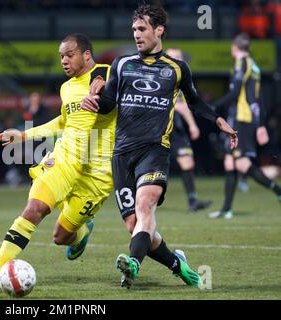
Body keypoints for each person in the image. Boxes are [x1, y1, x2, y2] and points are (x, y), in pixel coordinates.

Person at [81, 4, 238, 288]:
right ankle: (178, 264)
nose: (136, 35)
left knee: (145, 206)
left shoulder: (177, 69)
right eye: (134, 30)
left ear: (159, 30)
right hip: (122, 155)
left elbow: (194, 101)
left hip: (155, 151)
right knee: (137, 226)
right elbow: (108, 104)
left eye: (142, 29)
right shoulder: (122, 64)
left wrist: (217, 120)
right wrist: (94, 103)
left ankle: (133, 265)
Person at [0, 33, 116, 291]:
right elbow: (63, 122)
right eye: (61, 56)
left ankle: (81, 232)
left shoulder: (110, 72)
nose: (64, 61)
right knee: (34, 208)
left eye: (69, 55)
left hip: (98, 171)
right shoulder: (67, 88)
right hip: (64, 159)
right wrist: (25, 134)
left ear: (86, 54)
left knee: (61, 237)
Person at [208, 33, 281, 219]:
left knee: (241, 163)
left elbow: (234, 94)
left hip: (242, 119)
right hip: (249, 120)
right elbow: (259, 98)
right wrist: (261, 124)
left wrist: (213, 105)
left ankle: (277, 190)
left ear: (235, 48)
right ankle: (226, 209)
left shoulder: (242, 64)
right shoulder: (254, 66)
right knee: (230, 162)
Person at [166, 48, 212, 213]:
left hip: (175, 127)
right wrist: (192, 125)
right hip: (160, 126)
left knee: (187, 161)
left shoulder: (181, 77)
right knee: (153, 165)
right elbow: (180, 107)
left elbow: (184, 104)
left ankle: (192, 200)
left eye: (180, 57)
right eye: (175, 57)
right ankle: (141, 200)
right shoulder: (165, 75)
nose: (179, 60)